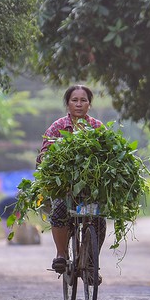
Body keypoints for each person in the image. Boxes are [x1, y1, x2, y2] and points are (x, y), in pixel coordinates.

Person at [36, 84, 107, 274]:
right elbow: (44, 155)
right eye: (74, 100)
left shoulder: (97, 127)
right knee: (59, 210)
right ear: (68, 104)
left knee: (98, 220)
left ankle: (90, 264)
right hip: (64, 187)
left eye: (83, 100)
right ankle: (61, 255)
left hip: (89, 188)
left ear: (89, 105)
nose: (79, 104)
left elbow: (108, 154)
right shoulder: (58, 127)